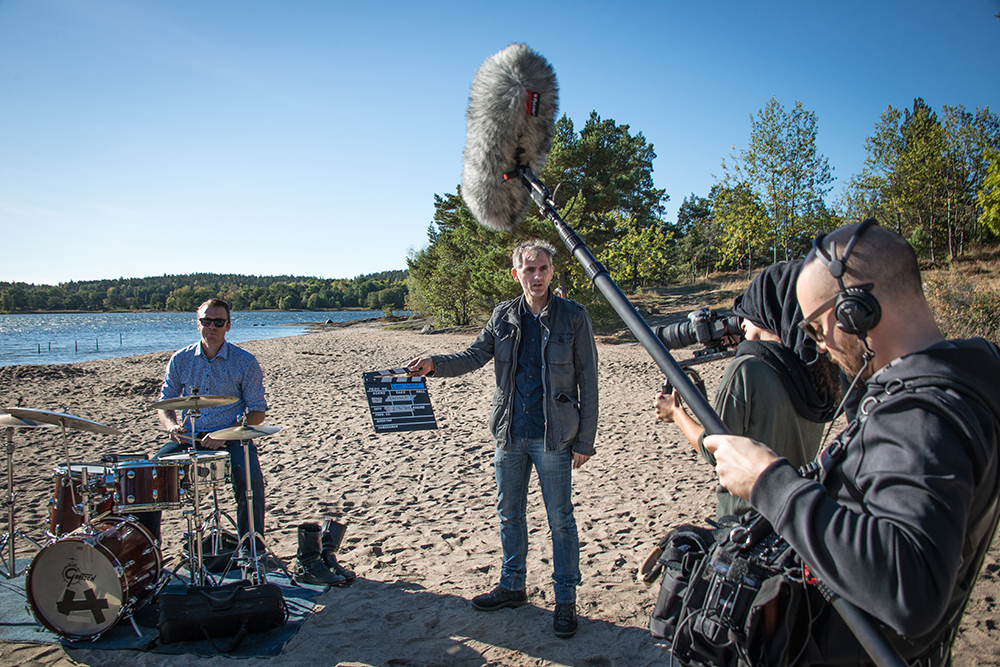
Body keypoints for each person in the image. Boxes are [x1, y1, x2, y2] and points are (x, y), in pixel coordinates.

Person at [704, 220, 1000, 665]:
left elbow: (910, 588)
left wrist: (771, 483)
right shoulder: (971, 378)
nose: (819, 347)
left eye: (817, 330)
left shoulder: (918, 415)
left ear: (854, 312)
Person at [405, 239, 599, 639]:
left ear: (551, 271)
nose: (537, 276)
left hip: (555, 437)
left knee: (560, 520)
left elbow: (589, 381)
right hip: (509, 433)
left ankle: (566, 599)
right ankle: (513, 586)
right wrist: (433, 364)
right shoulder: (504, 316)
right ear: (517, 273)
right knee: (509, 513)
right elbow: (474, 356)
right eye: (529, 269)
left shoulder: (574, 317)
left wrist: (585, 441)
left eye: (543, 268)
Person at [136, 298, 353, 585]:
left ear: (228, 325)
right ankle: (148, 557)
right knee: (146, 476)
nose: (211, 327)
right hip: (189, 436)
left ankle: (252, 552)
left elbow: (258, 412)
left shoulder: (244, 361)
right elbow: (166, 403)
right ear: (197, 322)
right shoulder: (180, 359)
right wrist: (172, 425)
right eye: (205, 321)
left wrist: (226, 434)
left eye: (217, 322)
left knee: (250, 480)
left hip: (231, 436)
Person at [653, 260, 839, 519]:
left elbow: (714, 450)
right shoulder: (817, 372)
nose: (742, 324)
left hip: (747, 517)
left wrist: (676, 414)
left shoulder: (746, 371)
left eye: (749, 314)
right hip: (795, 515)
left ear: (769, 312)